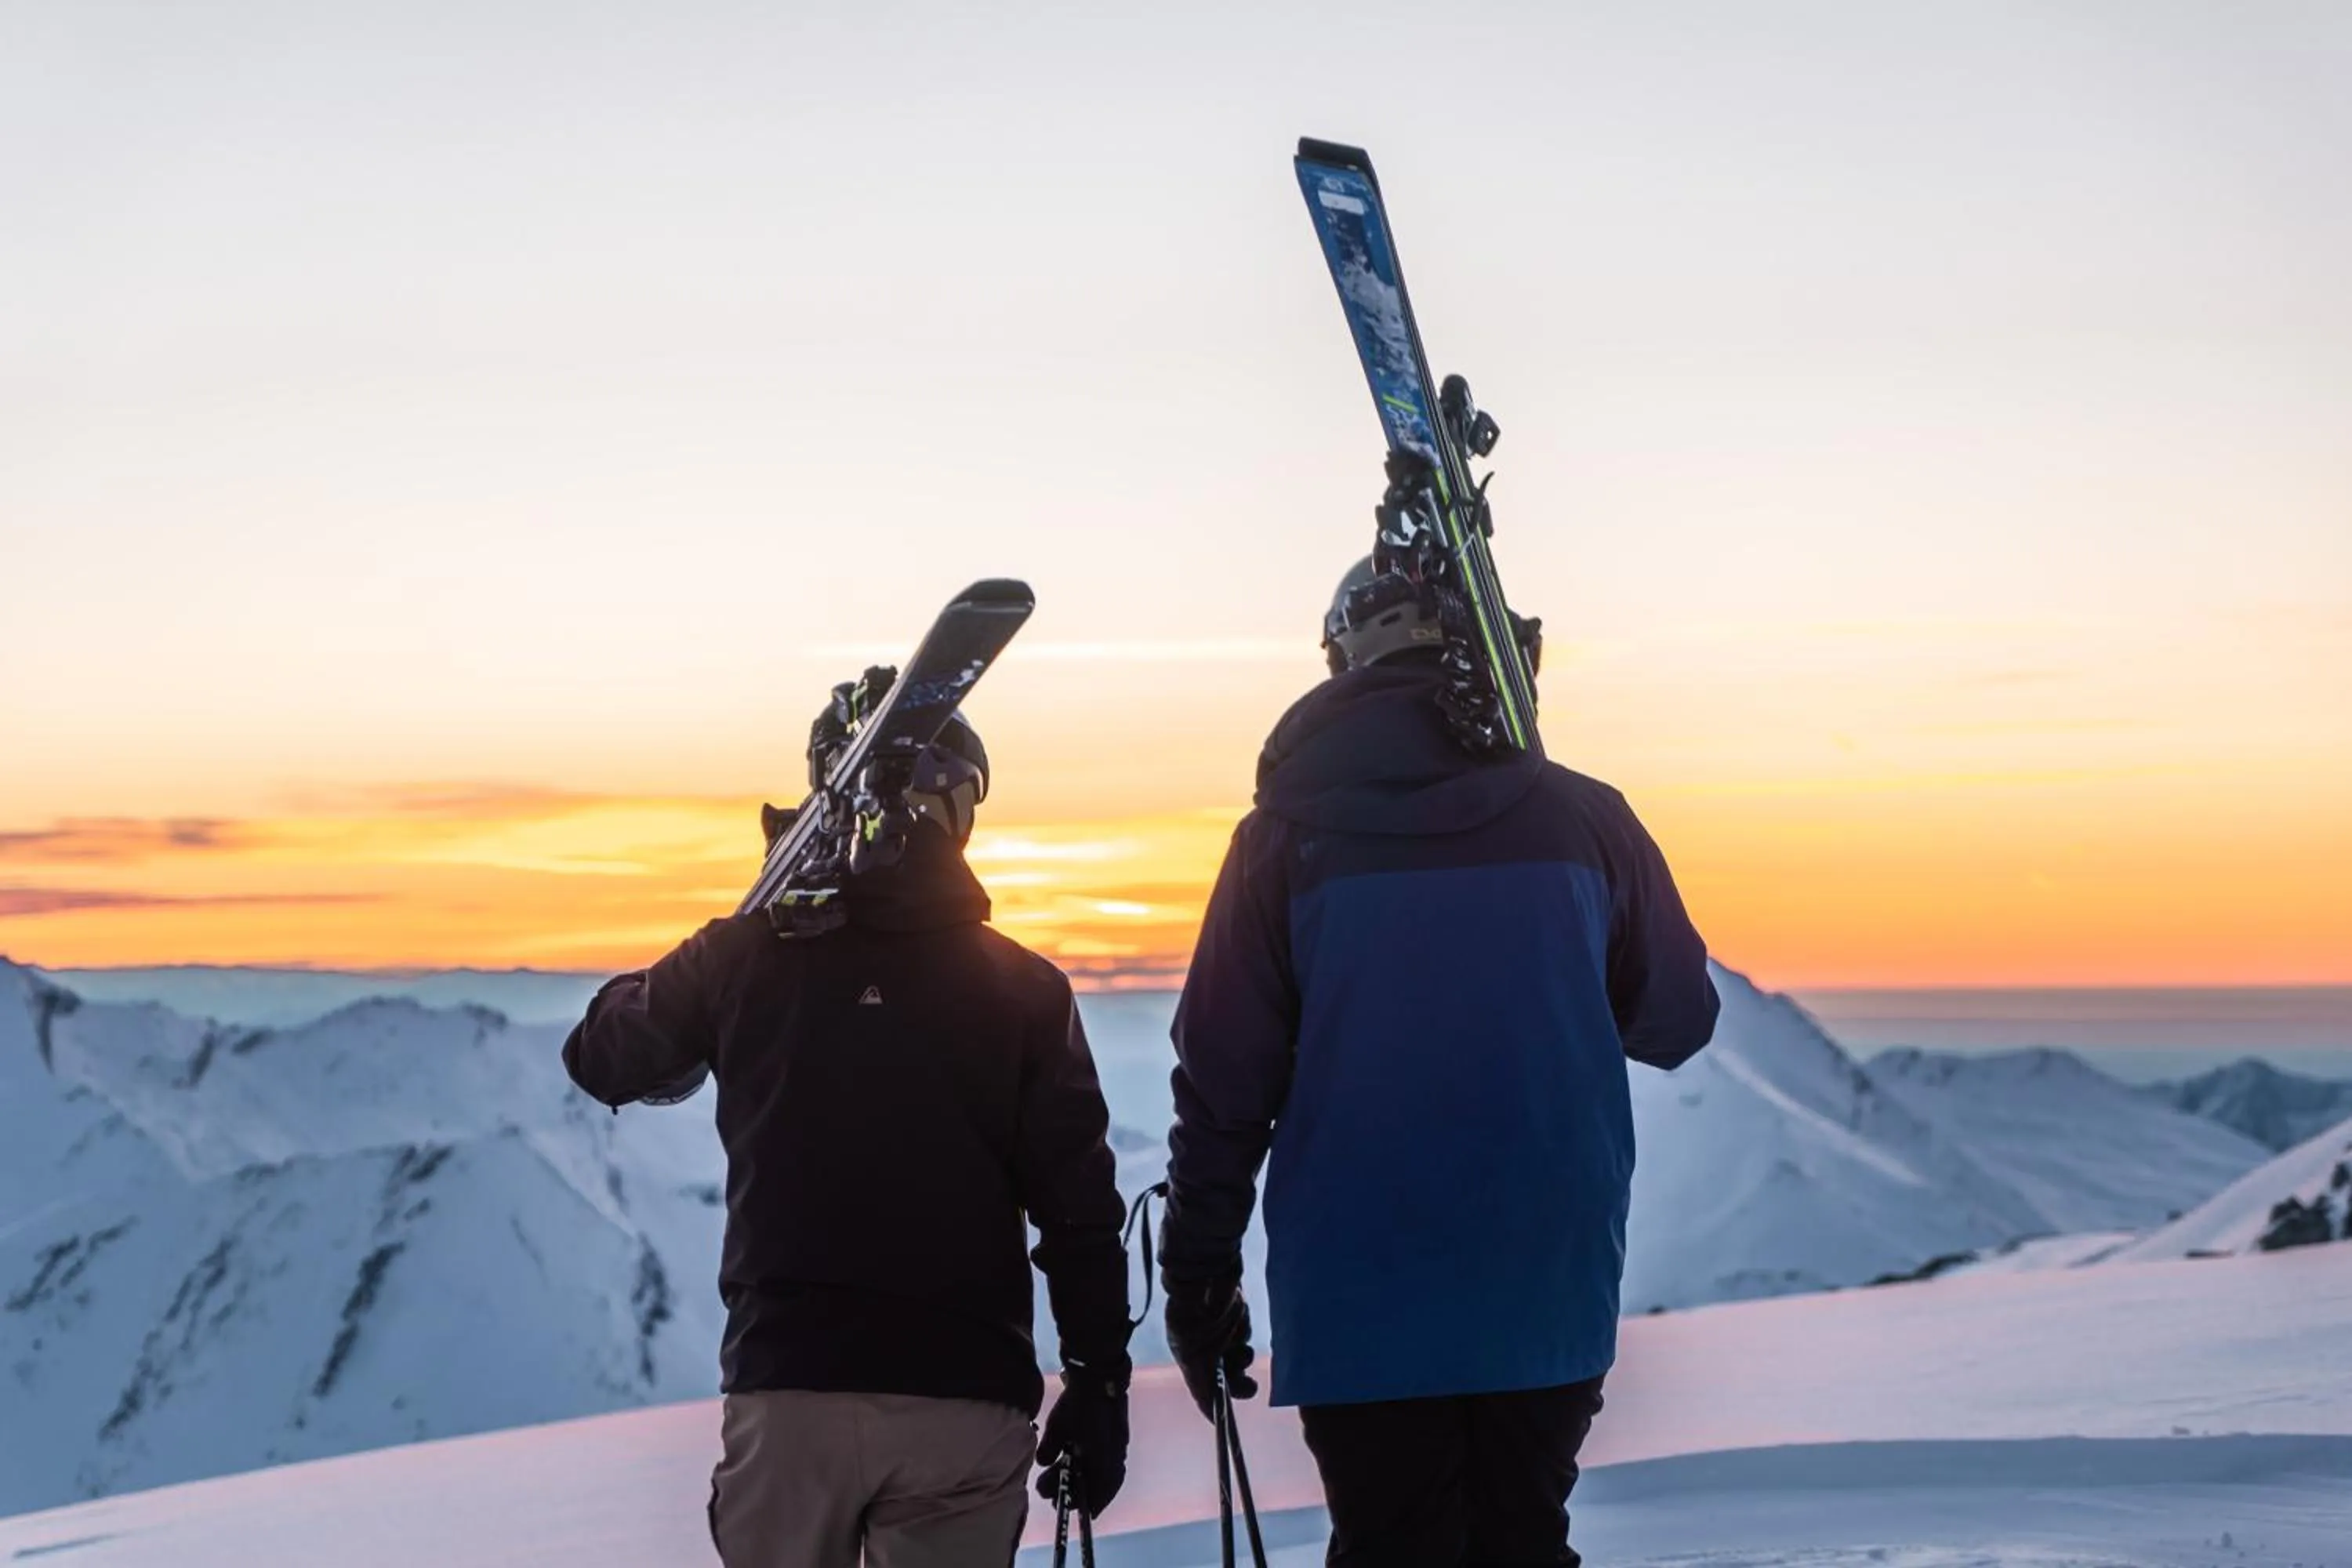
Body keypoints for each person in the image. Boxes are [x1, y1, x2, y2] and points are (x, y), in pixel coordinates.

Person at [1159, 557, 1720, 1567]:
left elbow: (1224, 1084)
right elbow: (1677, 1019)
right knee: (1522, 1537)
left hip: (1358, 1294)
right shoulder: (1589, 820)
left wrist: (1198, 1274)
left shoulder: (1280, 841)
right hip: (1546, 1282)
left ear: (1342, 659)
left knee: (1387, 1542)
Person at [564, 710, 1132, 1568]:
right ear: (958, 809)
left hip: (789, 1388)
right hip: (965, 1394)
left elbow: (603, 1057)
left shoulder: (739, 957)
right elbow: (1078, 1210)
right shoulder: (1023, 988)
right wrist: (1098, 1379)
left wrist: (736, 931)